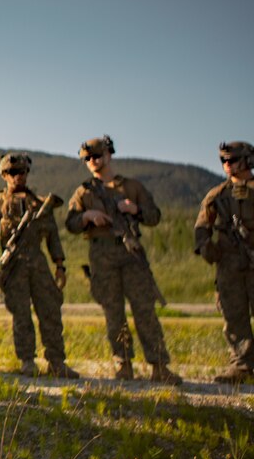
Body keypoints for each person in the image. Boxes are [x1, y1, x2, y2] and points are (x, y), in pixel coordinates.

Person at [65, 135, 181, 384]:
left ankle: (159, 365)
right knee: (113, 311)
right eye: (88, 158)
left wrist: (134, 210)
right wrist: (87, 216)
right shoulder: (83, 191)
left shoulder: (131, 187)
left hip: (130, 252)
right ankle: (123, 363)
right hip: (101, 255)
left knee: (144, 309)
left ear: (108, 155)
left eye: (97, 156)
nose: (93, 161)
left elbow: (154, 216)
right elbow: (70, 223)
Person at [0, 153, 78, 378]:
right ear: (4, 175)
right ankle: (27, 360)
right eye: (13, 173)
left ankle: (56, 361)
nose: (18, 177)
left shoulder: (41, 203)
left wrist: (60, 265)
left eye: (22, 172)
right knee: (21, 314)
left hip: (39, 264)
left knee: (50, 311)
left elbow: (53, 237)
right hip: (13, 267)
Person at [194, 141, 254, 384]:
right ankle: (241, 365)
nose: (227, 165)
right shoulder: (217, 195)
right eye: (223, 161)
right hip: (229, 264)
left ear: (247, 160)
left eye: (232, 160)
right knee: (233, 315)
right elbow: (201, 229)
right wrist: (212, 253)